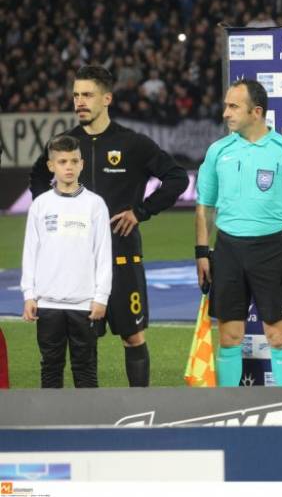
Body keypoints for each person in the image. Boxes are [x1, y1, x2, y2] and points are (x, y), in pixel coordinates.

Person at [30, 65, 189, 387]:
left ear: (107, 98)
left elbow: (177, 178)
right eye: (76, 95)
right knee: (82, 343)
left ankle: (140, 409)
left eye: (87, 95)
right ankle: (87, 411)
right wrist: (51, 212)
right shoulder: (65, 145)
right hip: (76, 264)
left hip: (121, 256)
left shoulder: (133, 143)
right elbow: (37, 178)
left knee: (133, 336)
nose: (80, 101)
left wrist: (141, 212)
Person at [195, 79, 282, 387]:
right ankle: (228, 407)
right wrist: (202, 252)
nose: (225, 113)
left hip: (271, 251)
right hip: (227, 251)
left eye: (234, 106)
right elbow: (205, 206)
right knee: (229, 337)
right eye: (226, 105)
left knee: (278, 336)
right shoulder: (218, 151)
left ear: (256, 112)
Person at [21, 135, 112, 388]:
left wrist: (101, 297)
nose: (68, 167)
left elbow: (103, 254)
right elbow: (30, 252)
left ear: (82, 164)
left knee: (86, 369)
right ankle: (52, 415)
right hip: (47, 302)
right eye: (62, 162)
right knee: (50, 367)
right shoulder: (41, 205)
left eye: (73, 161)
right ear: (51, 166)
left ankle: (89, 415)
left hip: (85, 303)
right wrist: (29, 295)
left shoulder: (95, 204)